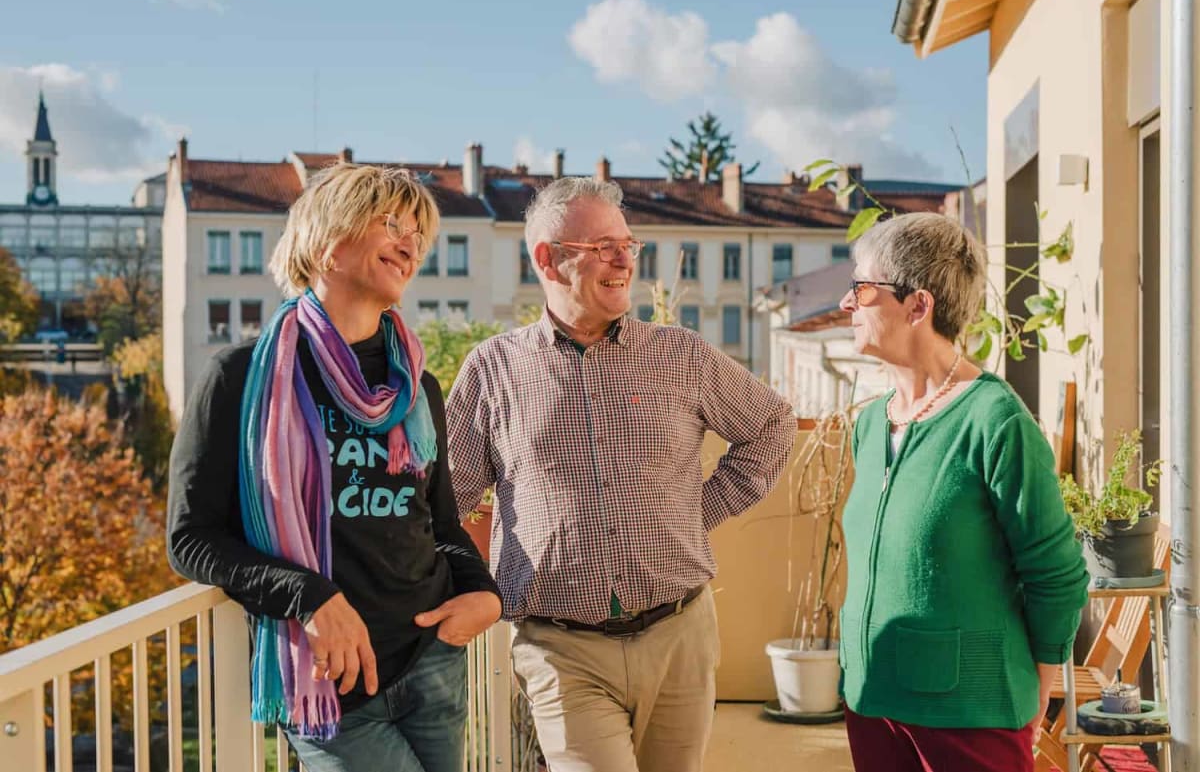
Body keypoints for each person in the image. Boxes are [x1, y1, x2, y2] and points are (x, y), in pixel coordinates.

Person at [446, 176, 797, 772]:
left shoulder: (680, 355)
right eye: (601, 246)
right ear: (547, 259)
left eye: (627, 244)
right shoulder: (493, 369)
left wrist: (694, 512)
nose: (623, 260)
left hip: (680, 635)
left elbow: (771, 427)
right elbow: (446, 499)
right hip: (560, 649)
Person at [167, 163, 501, 772]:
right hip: (329, 681)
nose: (410, 244)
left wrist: (482, 594)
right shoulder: (241, 380)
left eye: (418, 235)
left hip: (432, 658)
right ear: (327, 240)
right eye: (391, 223)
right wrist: (310, 598)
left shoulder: (416, 388)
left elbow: (441, 524)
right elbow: (191, 539)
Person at [835, 212, 1089, 772]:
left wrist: (1034, 691)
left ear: (917, 306)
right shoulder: (872, 424)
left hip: (971, 717)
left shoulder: (995, 421)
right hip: (872, 701)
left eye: (861, 288)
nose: (846, 304)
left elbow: (1059, 576)